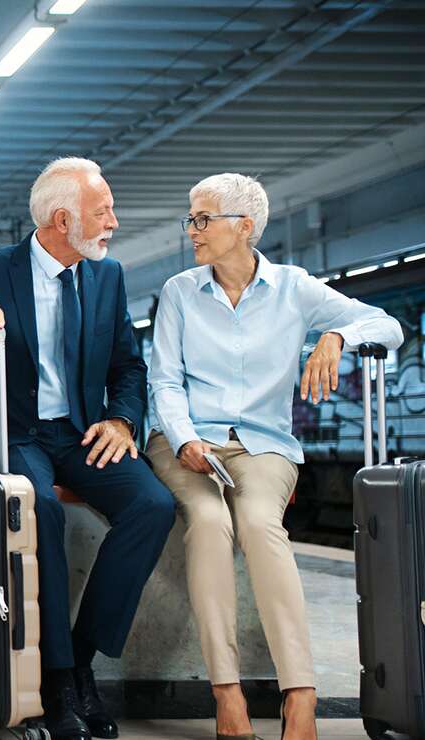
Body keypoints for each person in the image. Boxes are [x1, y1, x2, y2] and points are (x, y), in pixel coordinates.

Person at [0, 157, 176, 740]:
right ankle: (55, 682)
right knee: (39, 509)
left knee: (152, 505)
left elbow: (128, 364)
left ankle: (80, 658)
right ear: (61, 219)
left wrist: (123, 420)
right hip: (11, 432)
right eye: (103, 213)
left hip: (80, 433)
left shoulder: (107, 276)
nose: (114, 223)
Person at [146, 173, 403, 740]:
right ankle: (226, 694)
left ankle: (300, 695)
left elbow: (388, 328)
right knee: (209, 523)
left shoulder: (295, 288)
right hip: (184, 442)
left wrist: (336, 337)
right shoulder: (180, 292)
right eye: (191, 218)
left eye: (202, 219)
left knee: (261, 524)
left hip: (264, 446)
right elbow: (163, 381)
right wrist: (185, 438)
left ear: (244, 227)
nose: (192, 230)